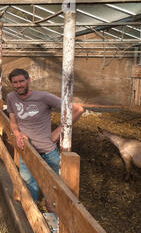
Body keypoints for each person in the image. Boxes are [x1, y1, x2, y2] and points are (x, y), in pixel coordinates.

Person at [6, 68, 84, 202]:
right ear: (11, 84)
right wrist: (17, 134)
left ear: (28, 80)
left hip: (48, 152)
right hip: (26, 150)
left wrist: (58, 131)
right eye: (15, 82)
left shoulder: (43, 97)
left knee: (56, 188)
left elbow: (78, 109)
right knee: (29, 187)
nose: (18, 85)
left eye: (21, 81)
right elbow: (13, 122)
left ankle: (55, 217)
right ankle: (29, 219)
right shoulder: (11, 97)